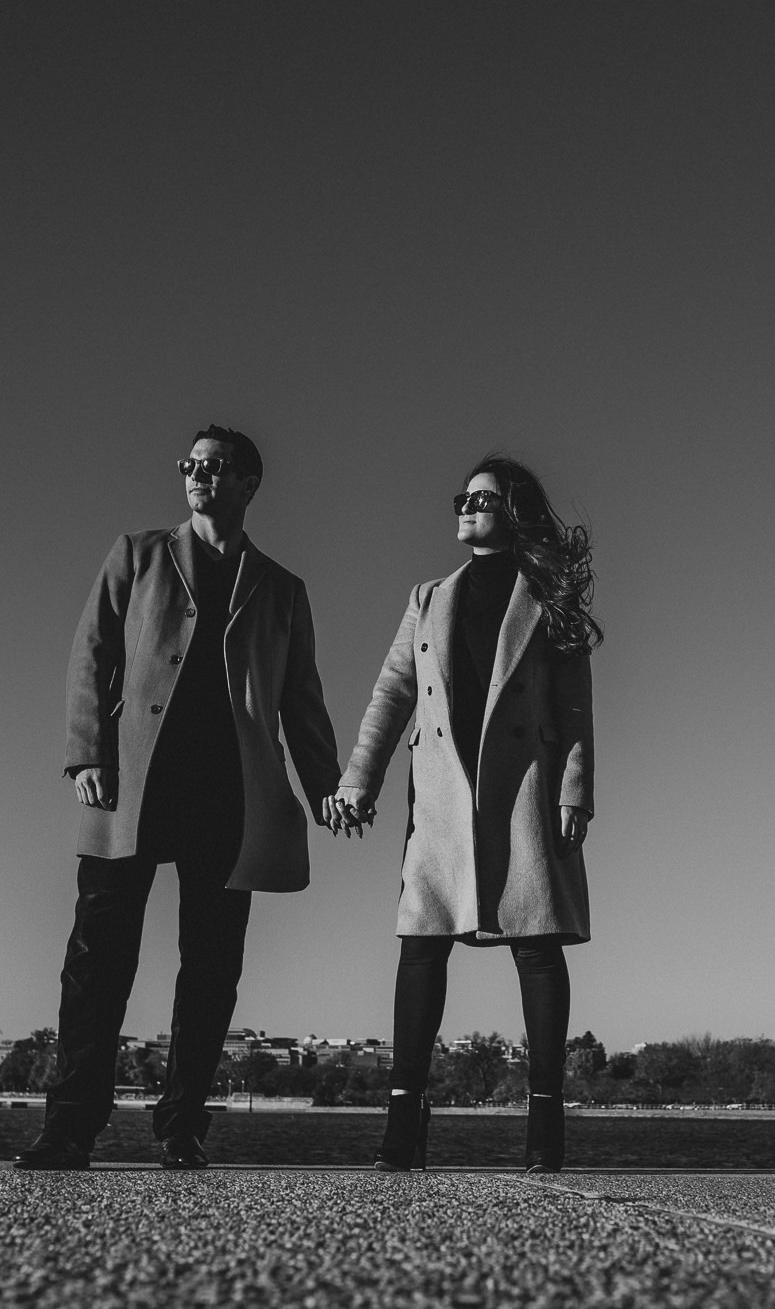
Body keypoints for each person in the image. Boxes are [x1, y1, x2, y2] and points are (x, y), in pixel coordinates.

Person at [14, 425, 343, 1171]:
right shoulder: (136, 553)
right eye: (190, 464)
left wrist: (327, 786)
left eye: (216, 466)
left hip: (230, 793)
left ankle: (182, 1126)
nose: (198, 475)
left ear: (249, 483)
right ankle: (70, 1126)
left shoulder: (283, 588)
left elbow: (302, 696)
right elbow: (91, 652)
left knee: (212, 969)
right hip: (131, 782)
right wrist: (86, 754)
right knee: (97, 959)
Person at [331, 454, 600, 1173]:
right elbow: (393, 692)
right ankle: (402, 1118)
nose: (466, 506)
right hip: (443, 790)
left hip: (524, 785)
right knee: (421, 944)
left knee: (536, 944)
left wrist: (576, 790)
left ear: (512, 509)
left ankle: (545, 1125)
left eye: (481, 497)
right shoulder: (427, 597)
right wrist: (360, 777)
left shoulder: (548, 596)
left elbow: (575, 704)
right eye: (463, 496)